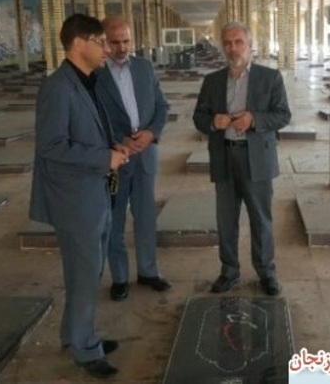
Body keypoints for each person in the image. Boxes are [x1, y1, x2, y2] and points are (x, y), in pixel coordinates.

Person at [29, 14, 129, 379]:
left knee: (87, 271)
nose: (107, 49)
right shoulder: (58, 87)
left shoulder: (86, 81)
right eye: (100, 42)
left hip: (93, 191)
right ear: (77, 44)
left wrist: (111, 147)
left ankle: (75, 335)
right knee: (84, 274)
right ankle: (85, 349)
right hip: (74, 199)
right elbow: (52, 146)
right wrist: (104, 159)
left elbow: (90, 130)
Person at [193, 21, 291, 296]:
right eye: (227, 43)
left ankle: (266, 272)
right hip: (224, 156)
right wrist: (213, 121)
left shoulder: (270, 78)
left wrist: (254, 119)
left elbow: (283, 115)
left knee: (261, 219)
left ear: (250, 45)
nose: (233, 48)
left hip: (256, 158)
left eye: (238, 42)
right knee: (226, 220)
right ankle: (229, 271)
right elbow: (198, 117)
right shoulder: (212, 81)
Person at [96, 15, 171, 301]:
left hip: (145, 156)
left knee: (146, 216)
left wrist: (151, 133)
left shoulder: (144, 68)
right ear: (104, 42)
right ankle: (120, 277)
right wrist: (118, 141)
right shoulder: (96, 75)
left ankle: (148, 271)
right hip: (116, 161)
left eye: (126, 41)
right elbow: (93, 119)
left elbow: (162, 106)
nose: (122, 48)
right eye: (115, 42)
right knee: (114, 218)